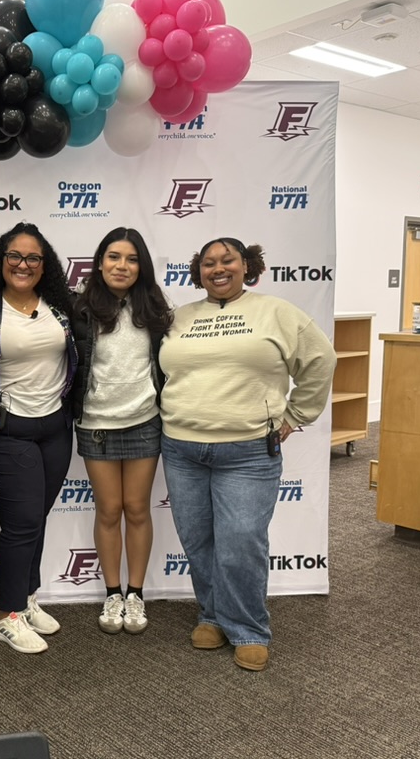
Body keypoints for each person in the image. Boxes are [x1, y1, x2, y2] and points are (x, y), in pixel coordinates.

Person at [158, 237, 336, 672]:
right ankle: (212, 616)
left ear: (246, 266)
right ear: (197, 271)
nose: (217, 269)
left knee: (240, 544)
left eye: (227, 261)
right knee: (199, 540)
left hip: (248, 453)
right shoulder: (180, 317)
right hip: (181, 449)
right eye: (207, 263)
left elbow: (321, 359)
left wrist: (294, 416)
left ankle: (249, 629)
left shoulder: (276, 312)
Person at [0, 222, 77, 655]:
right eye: (15, 256)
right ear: (1, 260)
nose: (23, 264)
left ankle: (27, 597)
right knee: (21, 524)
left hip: (55, 427)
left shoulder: (59, 306)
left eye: (33, 258)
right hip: (8, 430)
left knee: (38, 518)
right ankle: (5, 615)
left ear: (44, 265)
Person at [70, 227, 173, 635]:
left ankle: (136, 593)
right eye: (114, 257)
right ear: (100, 261)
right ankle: (112, 592)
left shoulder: (155, 308)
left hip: (145, 421)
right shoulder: (80, 308)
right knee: (109, 510)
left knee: (137, 509)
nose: (122, 266)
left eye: (131, 259)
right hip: (95, 424)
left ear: (141, 266)